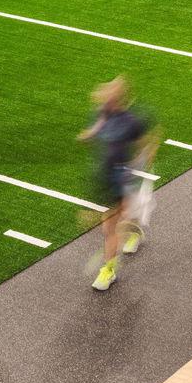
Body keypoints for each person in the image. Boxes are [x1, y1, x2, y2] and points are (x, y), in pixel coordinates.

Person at [79, 77, 156, 291]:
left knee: (110, 225)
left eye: (110, 94)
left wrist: (140, 166)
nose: (104, 97)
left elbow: (147, 142)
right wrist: (89, 135)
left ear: (119, 99)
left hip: (124, 175)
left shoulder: (131, 121)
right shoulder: (104, 112)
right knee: (117, 220)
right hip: (105, 174)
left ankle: (108, 271)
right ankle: (133, 231)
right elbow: (98, 125)